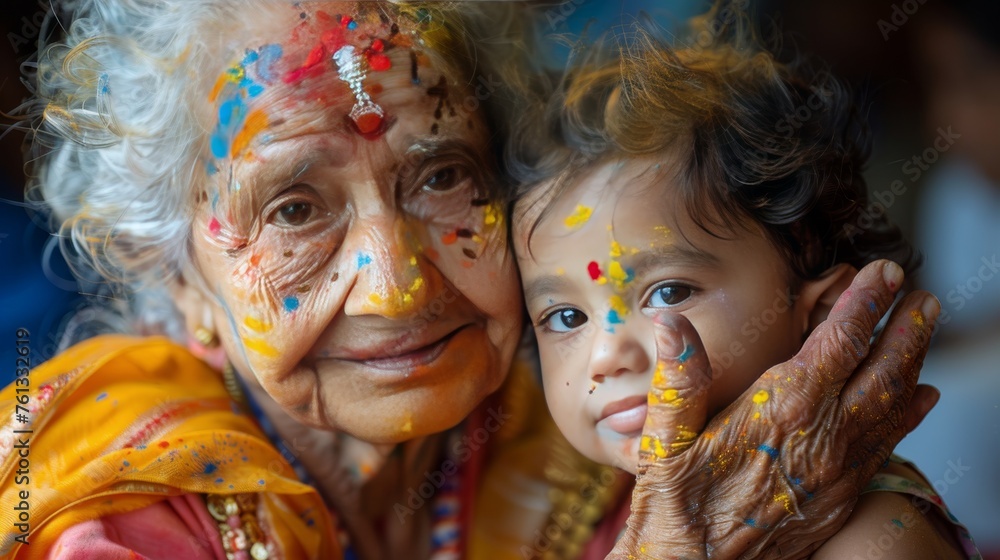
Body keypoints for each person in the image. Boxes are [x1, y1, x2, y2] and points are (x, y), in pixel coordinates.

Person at [0, 1, 941, 558]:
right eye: (293, 208)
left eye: (443, 175)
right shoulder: (109, 515)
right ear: (173, 274)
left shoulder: (605, 426)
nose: (399, 285)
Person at [510, 6, 981, 559]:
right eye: (566, 317)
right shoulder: (586, 514)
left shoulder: (875, 541)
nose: (607, 353)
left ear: (823, 312)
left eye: (668, 292)